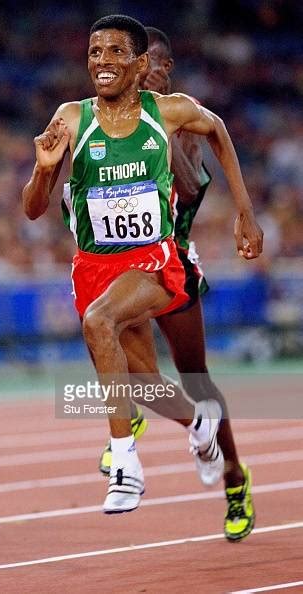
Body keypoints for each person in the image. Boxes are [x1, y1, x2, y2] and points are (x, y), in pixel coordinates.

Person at [23, 15, 263, 516]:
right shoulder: (71, 118)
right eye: (95, 53)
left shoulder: (171, 117)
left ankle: (172, 468)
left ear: (146, 64)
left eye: (119, 54)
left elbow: (209, 143)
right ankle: (197, 423)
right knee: (141, 381)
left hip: (162, 259)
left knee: (173, 361)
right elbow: (32, 206)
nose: (104, 62)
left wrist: (244, 212)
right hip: (97, 268)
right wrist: (45, 174)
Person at [98, 26, 258, 541]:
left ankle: (234, 474)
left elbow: (190, 177)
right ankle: (135, 425)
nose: (158, 75)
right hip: (121, 269)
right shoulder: (105, 120)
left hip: (172, 265)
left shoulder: (180, 126)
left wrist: (244, 212)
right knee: (121, 353)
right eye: (152, 66)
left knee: (196, 377)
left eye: (165, 67)